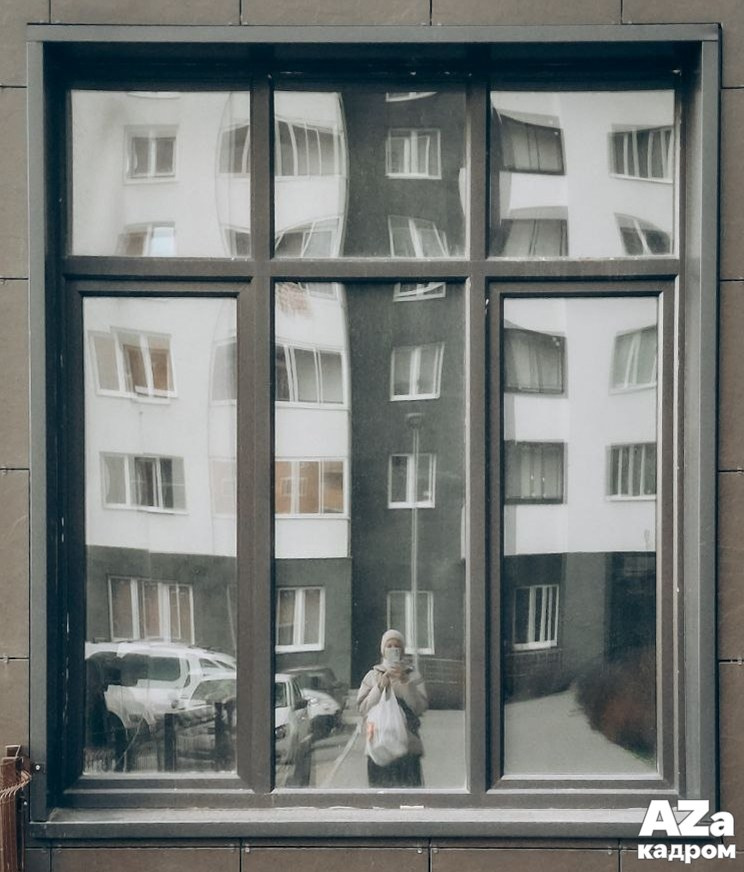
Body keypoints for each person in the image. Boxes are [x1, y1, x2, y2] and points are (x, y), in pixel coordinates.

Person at [357, 628, 428, 787]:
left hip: (407, 748)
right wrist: (379, 687)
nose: (393, 649)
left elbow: (420, 708)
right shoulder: (372, 676)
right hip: (379, 746)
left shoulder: (413, 675)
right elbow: (363, 708)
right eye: (389, 646)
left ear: (402, 650)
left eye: (397, 646)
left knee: (409, 795)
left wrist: (405, 683)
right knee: (381, 795)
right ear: (383, 650)